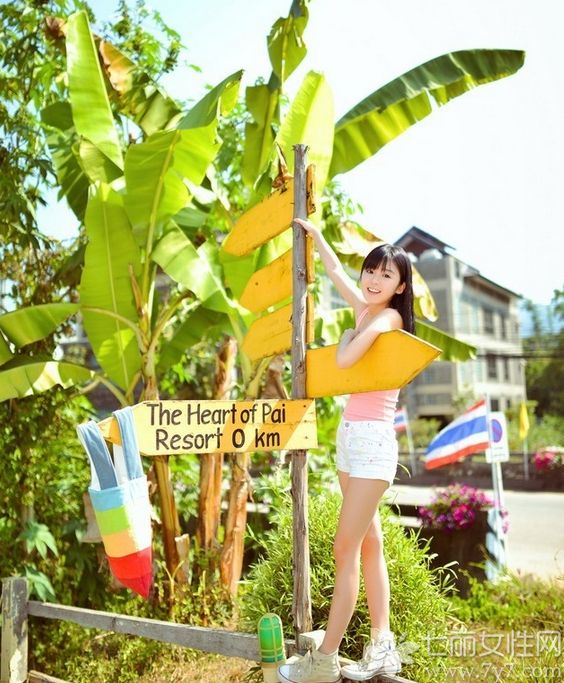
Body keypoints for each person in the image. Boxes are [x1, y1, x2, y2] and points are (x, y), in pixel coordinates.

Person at [277, 218, 415, 683]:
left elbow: (343, 360)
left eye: (385, 276)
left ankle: (325, 659)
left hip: (375, 444)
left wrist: (342, 339)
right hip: (351, 440)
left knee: (345, 548)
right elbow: (336, 274)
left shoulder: (387, 319)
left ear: (399, 288)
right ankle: (382, 648)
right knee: (370, 546)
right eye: (370, 271)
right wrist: (316, 237)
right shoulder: (367, 309)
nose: (373, 280)